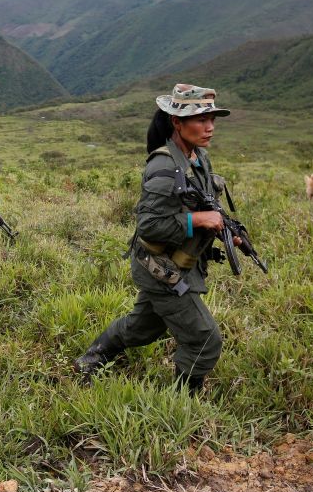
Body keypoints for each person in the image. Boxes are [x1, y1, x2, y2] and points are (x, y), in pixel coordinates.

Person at [73, 84, 236, 395]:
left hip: (176, 265)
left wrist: (225, 229)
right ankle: (182, 401)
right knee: (204, 338)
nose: (209, 127)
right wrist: (199, 220)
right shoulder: (163, 166)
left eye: (212, 119)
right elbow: (149, 226)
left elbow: (204, 204)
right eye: (201, 119)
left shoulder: (197, 158)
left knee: (142, 327)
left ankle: (90, 359)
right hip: (162, 270)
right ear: (177, 122)